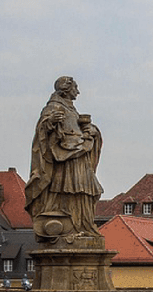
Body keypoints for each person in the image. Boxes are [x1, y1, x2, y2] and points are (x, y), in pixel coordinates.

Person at [25, 76, 104, 245]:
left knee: (85, 192)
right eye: (75, 88)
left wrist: (92, 131)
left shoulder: (72, 109)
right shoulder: (53, 107)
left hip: (79, 155)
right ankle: (69, 226)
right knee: (67, 191)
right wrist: (50, 123)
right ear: (66, 89)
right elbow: (42, 131)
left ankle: (83, 226)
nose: (78, 91)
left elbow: (79, 129)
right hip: (64, 159)